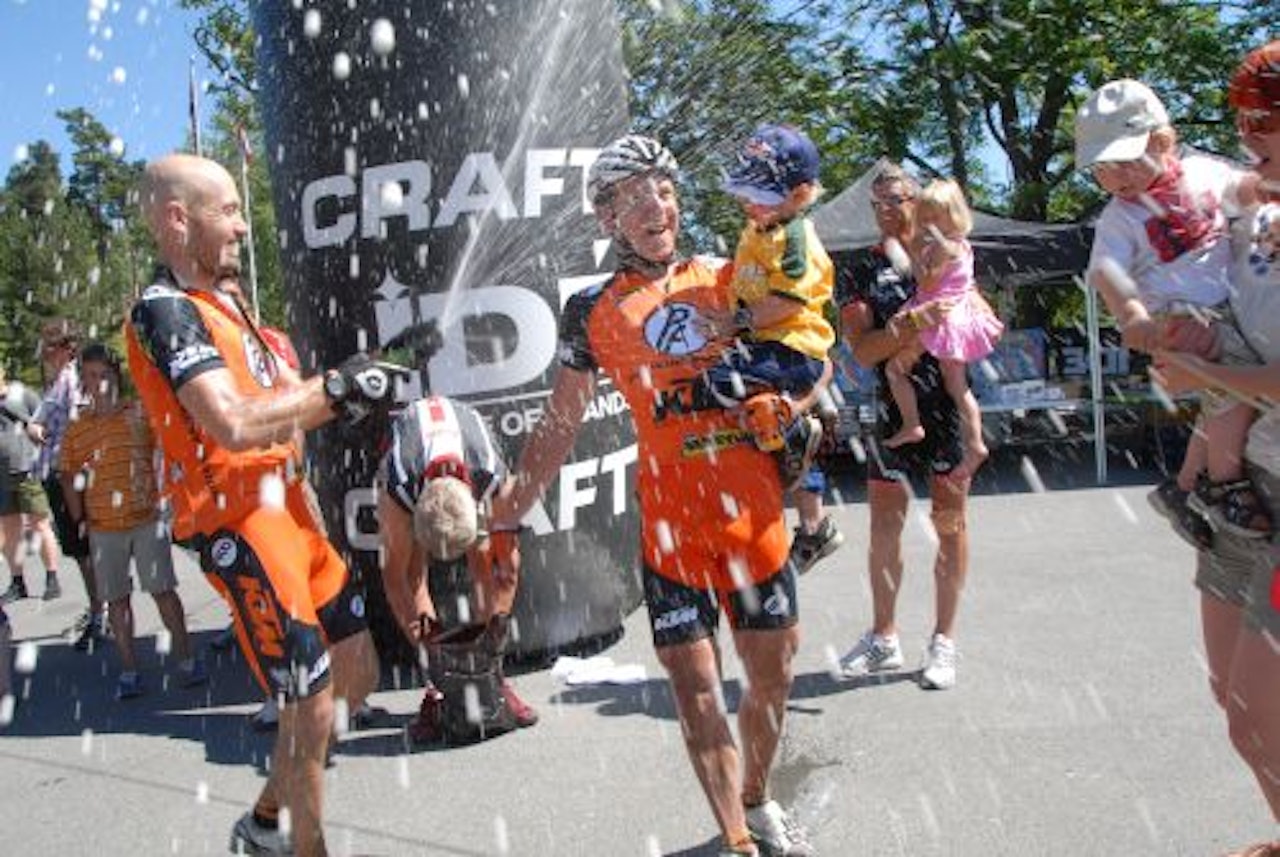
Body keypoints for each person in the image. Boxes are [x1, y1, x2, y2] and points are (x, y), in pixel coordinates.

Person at [489, 134, 815, 857]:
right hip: (672, 531)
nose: (654, 205)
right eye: (633, 196)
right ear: (607, 217)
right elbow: (560, 418)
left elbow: (810, 356)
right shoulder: (591, 310)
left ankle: (756, 794)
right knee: (697, 689)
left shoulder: (732, 277)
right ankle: (737, 838)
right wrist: (511, 502)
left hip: (754, 518)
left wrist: (794, 407)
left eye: (663, 190)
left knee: (773, 676)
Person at [126, 153, 403, 857]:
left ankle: (264, 821)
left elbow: (288, 405)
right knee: (307, 704)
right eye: (229, 210)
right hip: (238, 521)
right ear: (177, 219)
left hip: (294, 515)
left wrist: (359, 384)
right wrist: (338, 389)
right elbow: (234, 423)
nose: (244, 227)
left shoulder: (239, 313)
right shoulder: (165, 310)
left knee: (357, 671)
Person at [1150, 40, 1280, 857]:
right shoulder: (1251, 219)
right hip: (1244, 489)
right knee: (1235, 706)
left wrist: (1200, 365)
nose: (1248, 133)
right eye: (1242, 118)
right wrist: (1193, 339)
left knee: (1261, 704)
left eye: (1264, 118)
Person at [1076, 77, 1265, 550]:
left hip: (1226, 307)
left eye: (1124, 163)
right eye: (1102, 169)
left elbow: (1245, 191)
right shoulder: (1119, 217)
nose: (1115, 179)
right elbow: (1105, 271)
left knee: (1220, 398)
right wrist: (1132, 313)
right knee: (1232, 388)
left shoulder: (1203, 173)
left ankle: (1182, 486)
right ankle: (1223, 482)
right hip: (1177, 317)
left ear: (1163, 142)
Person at [836, 162, 977, 691]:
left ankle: (944, 641)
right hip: (894, 410)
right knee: (884, 528)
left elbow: (966, 314)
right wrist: (911, 325)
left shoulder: (944, 250)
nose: (888, 210)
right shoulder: (860, 268)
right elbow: (864, 349)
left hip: (944, 409)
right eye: (878, 202)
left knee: (950, 525)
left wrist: (911, 326)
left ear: (918, 200)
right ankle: (884, 637)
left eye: (897, 198)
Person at [711, 123, 843, 575]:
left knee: (721, 387)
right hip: (766, 345)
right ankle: (792, 439)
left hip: (791, 346)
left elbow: (787, 301)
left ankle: (793, 427)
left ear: (800, 194)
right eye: (744, 193)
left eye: (760, 195)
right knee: (739, 406)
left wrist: (735, 321)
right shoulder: (759, 226)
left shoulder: (797, 238)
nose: (749, 203)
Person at [376, 393, 538, 743]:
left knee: (488, 564)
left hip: (466, 461)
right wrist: (435, 659)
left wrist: (488, 650)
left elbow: (507, 569)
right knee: (411, 574)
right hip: (415, 452)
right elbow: (395, 581)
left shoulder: (492, 476)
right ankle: (437, 688)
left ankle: (493, 678)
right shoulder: (399, 486)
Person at [59, 343, 207, 700]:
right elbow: (68, 476)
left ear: (117, 376)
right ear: (84, 382)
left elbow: (171, 449)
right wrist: (78, 518)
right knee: (117, 600)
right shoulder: (77, 428)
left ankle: (186, 658)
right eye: (92, 376)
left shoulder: (139, 414)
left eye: (105, 374)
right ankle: (129, 670)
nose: (100, 382)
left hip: (146, 520)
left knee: (162, 591)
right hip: (102, 526)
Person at [881, 178, 1003, 481]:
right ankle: (973, 444)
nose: (929, 223)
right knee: (957, 387)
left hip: (939, 318)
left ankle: (912, 424)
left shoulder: (944, 248)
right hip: (952, 314)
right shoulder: (961, 245)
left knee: (896, 370)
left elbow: (927, 284)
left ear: (953, 215)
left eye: (935, 217)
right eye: (925, 218)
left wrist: (912, 254)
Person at [0, 364, 63, 608]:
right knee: (8, 531)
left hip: (28, 471)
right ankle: (17, 582)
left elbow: (45, 422)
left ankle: (52, 577)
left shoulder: (22, 394)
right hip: (2, 477)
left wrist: (37, 432)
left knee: (40, 523)